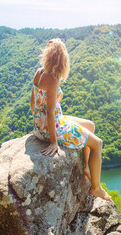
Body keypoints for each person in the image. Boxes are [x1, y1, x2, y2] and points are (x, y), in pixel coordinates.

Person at [30, 38, 111, 201]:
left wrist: (38, 125)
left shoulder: (39, 73)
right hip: (53, 126)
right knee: (98, 144)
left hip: (43, 125)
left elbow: (33, 103)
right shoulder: (53, 77)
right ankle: (96, 187)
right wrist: (53, 141)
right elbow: (50, 111)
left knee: (90, 125)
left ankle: (86, 167)